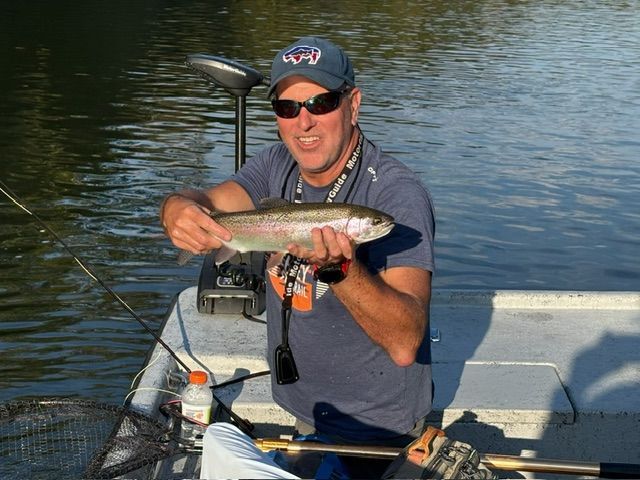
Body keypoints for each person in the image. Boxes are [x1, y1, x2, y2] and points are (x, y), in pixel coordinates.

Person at [161, 36, 436, 476]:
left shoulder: (397, 197)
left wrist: (340, 268)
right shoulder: (276, 163)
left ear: (353, 105)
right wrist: (177, 207)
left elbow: (405, 344)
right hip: (301, 411)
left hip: (377, 429)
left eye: (320, 102)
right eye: (288, 108)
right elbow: (207, 199)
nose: (303, 122)